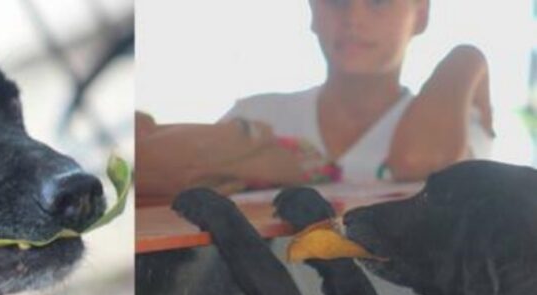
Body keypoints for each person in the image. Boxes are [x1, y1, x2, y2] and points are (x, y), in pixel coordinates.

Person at [136, 0, 493, 203]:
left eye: (378, 2)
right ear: (312, 10)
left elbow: (419, 160)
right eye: (336, 1)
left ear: (421, 14)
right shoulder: (257, 117)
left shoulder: (457, 131)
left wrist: (466, 58)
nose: (353, 19)